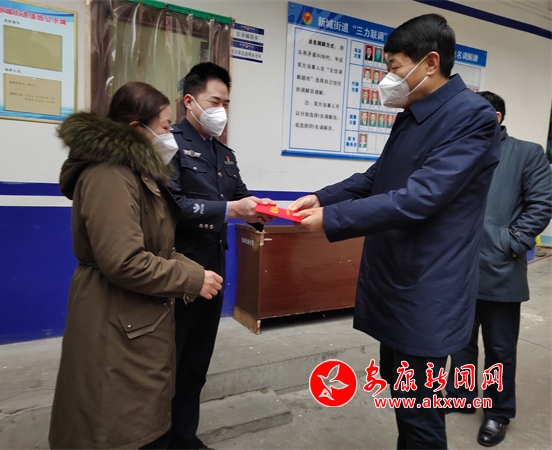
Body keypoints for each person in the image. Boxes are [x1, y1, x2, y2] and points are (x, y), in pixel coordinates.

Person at [288, 14, 500, 449]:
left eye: (394, 66)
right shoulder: (413, 114)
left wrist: (334, 219)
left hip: (426, 287)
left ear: (431, 63)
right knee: (403, 395)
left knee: (420, 415)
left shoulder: (472, 116)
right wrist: (322, 198)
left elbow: (421, 197)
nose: (387, 78)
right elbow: (377, 176)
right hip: (396, 279)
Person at [49, 81, 223, 449]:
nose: (169, 135)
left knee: (142, 421)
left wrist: (195, 271)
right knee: (117, 425)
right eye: (164, 126)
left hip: (138, 318)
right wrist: (192, 278)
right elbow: (124, 261)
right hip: (113, 316)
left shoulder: (138, 174)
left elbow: (158, 246)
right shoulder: (109, 175)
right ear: (135, 128)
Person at [169, 62, 273, 449]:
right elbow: (173, 205)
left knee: (196, 362)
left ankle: (184, 438)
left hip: (215, 267)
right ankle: (157, 438)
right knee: (169, 362)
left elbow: (240, 195)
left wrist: (262, 209)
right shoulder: (170, 144)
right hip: (180, 270)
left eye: (227, 103)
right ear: (190, 101)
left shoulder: (223, 153)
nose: (222, 111)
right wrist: (231, 210)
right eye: (215, 102)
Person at [446, 91, 552, 447]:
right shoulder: (459, 152)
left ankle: (497, 411)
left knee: (499, 348)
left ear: (495, 116)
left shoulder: (526, 153)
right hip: (458, 269)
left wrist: (509, 242)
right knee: (459, 342)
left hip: (500, 269)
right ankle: (460, 396)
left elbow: (541, 205)